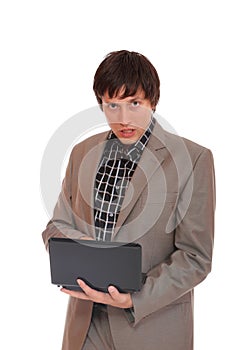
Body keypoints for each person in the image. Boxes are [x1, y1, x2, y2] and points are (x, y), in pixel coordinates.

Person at [42, 50, 215, 350]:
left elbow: (196, 257)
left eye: (134, 104)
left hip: (150, 326)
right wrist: (83, 254)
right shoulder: (82, 153)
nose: (124, 119)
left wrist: (135, 297)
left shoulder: (193, 159)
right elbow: (57, 225)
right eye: (113, 105)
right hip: (85, 325)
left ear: (153, 102)